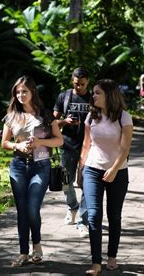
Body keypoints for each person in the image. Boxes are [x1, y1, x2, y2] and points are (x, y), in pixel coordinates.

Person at [1, 75, 63, 267]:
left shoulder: (44, 114)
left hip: (41, 165)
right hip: (18, 166)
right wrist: (17, 147)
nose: (21, 95)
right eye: (18, 92)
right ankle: (23, 253)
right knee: (22, 211)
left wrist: (40, 142)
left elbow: (59, 140)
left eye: (24, 91)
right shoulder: (11, 116)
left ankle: (37, 245)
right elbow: (4, 143)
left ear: (32, 92)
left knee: (32, 208)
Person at [79, 79, 133, 275]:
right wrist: (80, 169)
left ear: (109, 95)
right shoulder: (91, 117)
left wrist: (113, 169)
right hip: (92, 169)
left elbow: (125, 147)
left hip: (118, 172)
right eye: (93, 92)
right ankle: (96, 263)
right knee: (93, 215)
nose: (93, 96)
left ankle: (112, 255)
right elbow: (86, 145)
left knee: (114, 216)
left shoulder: (124, 117)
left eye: (97, 92)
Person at [53, 67, 90, 237]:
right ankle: (72, 206)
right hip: (67, 146)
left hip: (89, 147)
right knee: (65, 181)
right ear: (72, 80)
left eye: (82, 84)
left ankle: (83, 220)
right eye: (76, 84)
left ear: (88, 81)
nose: (79, 87)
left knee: (87, 185)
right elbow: (53, 121)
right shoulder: (64, 96)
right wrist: (65, 121)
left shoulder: (93, 98)